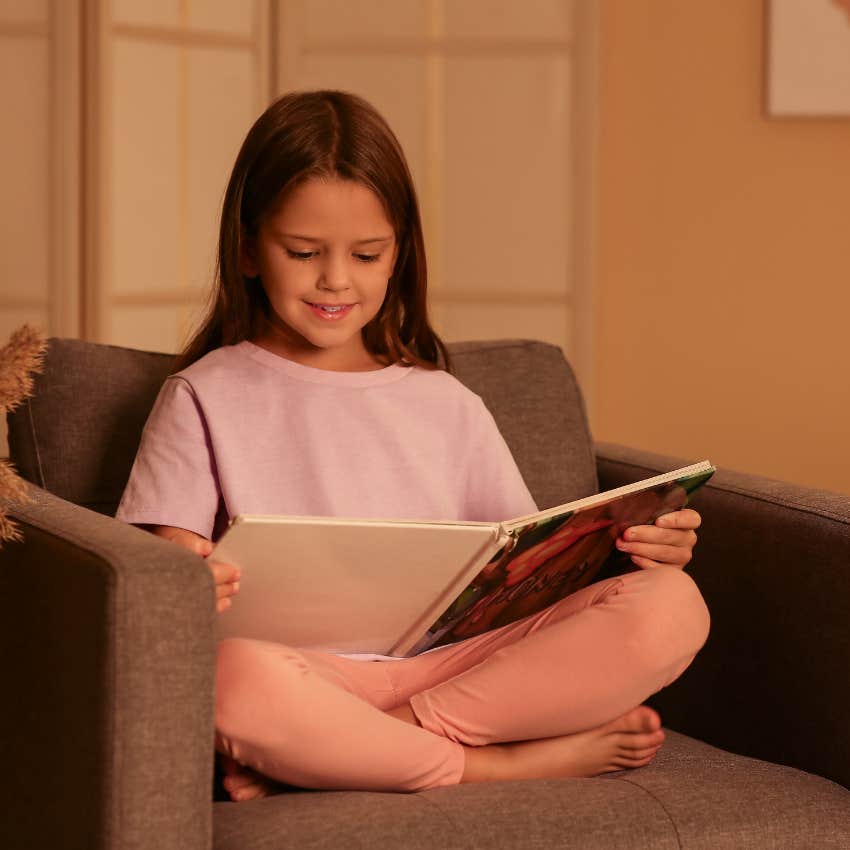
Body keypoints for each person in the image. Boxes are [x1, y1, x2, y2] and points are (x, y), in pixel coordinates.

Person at [116, 90, 709, 801]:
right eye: (303, 252)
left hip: (458, 668)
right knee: (234, 679)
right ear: (247, 248)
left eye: (367, 254)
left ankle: (360, 747)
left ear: (399, 254)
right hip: (305, 673)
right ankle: (489, 763)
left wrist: (637, 545)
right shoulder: (202, 395)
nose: (336, 279)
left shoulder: (446, 404)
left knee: (673, 604)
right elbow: (158, 573)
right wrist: (186, 577)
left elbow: (525, 569)